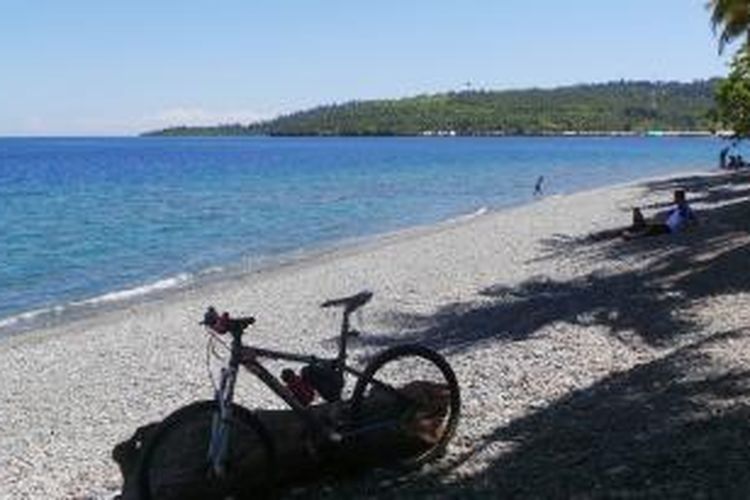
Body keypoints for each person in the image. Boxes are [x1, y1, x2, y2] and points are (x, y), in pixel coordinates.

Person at [623, 189, 697, 239]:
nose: (674, 198)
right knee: (646, 224)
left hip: (669, 229)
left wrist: (685, 227)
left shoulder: (683, 207)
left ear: (679, 197)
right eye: (675, 196)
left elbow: (688, 218)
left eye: (676, 197)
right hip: (666, 226)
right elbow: (693, 218)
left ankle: (632, 236)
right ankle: (635, 227)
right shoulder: (681, 207)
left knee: (650, 229)